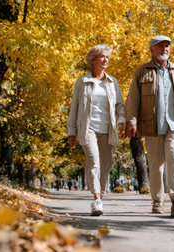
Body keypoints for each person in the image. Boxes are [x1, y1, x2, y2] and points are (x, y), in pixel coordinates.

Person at [125, 35, 174, 217]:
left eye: (167, 46)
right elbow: (132, 99)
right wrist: (131, 121)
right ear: (152, 50)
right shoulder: (142, 71)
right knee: (156, 165)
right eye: (160, 46)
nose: (165, 49)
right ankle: (157, 200)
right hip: (151, 125)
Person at [67, 44, 125, 216]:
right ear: (92, 60)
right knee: (94, 161)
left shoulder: (112, 82)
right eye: (102, 57)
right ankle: (96, 199)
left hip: (108, 129)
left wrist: (122, 121)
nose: (105, 60)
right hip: (88, 128)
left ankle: (101, 193)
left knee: (106, 164)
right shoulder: (82, 82)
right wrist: (71, 131)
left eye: (107, 57)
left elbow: (119, 105)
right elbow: (75, 107)